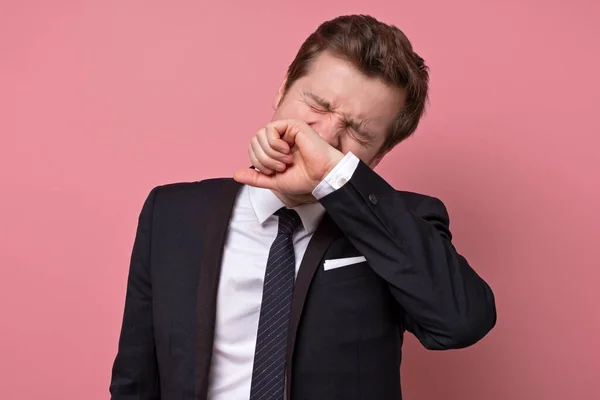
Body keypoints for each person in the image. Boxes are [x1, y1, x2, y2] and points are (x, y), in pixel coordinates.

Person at [109, 14, 496, 400]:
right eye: (317, 104)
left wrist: (335, 178)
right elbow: (135, 380)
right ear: (282, 90)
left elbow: (462, 322)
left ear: (378, 158)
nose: (323, 136)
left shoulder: (402, 224)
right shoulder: (172, 213)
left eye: (357, 133)